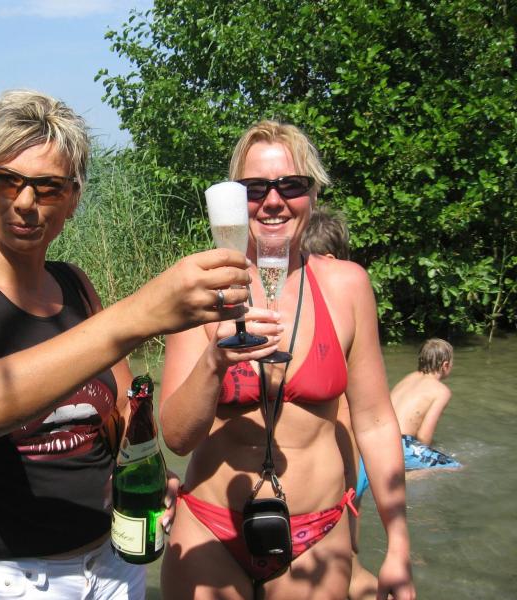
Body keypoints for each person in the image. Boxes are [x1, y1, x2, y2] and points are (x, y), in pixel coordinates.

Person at [0, 89, 259, 599]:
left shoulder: (74, 283)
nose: (25, 202)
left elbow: (123, 408)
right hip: (15, 578)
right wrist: (140, 314)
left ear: (72, 200)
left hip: (115, 562)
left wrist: (149, 467)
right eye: (7, 180)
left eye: (48, 188)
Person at [159, 121, 415, 599]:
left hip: (316, 534)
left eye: (290, 185)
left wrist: (398, 545)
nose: (273, 201)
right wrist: (214, 362)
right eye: (255, 189)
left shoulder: (348, 286)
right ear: (234, 200)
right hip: (212, 528)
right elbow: (176, 437)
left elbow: (376, 421)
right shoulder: (198, 286)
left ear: (312, 194)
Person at [303, 207, 378, 600]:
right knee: (350, 562)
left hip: (344, 464)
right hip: (346, 463)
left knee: (349, 567)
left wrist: (347, 486)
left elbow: (352, 415)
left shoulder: (339, 304)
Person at [392, 338, 460, 468]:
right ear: (445, 365)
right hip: (400, 444)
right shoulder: (442, 391)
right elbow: (423, 436)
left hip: (380, 437)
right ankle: (407, 476)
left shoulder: (408, 378)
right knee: (454, 467)